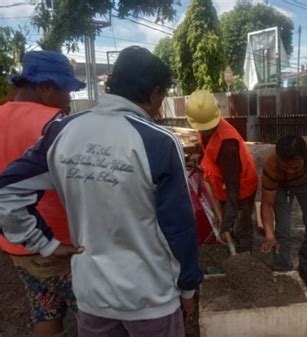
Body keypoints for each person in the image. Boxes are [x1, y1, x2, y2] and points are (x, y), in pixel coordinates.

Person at [0, 46, 203, 337]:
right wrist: (188, 288)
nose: (160, 107)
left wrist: (45, 244)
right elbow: (179, 228)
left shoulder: (62, 132)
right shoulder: (158, 142)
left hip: (92, 298)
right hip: (150, 299)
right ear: (155, 91)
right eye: (162, 97)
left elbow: (6, 192)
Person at [0, 50, 84, 337]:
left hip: (16, 243)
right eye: (66, 90)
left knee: (45, 309)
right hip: (61, 244)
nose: (69, 99)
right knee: (93, 314)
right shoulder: (54, 124)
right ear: (46, 86)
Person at [185, 90, 258, 252]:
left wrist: (226, 223)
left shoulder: (227, 145)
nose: (205, 130)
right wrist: (200, 155)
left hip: (241, 187)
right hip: (222, 184)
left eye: (207, 128)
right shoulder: (205, 123)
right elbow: (209, 149)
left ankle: (246, 261)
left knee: (240, 226)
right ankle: (232, 245)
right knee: (228, 224)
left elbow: (233, 189)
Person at [259, 135, 307, 286]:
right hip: (280, 187)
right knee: (282, 230)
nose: (291, 171)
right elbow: (267, 204)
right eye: (285, 166)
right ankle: (283, 270)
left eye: (295, 166)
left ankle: (305, 265)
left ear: (305, 156)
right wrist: (269, 235)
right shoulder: (271, 164)